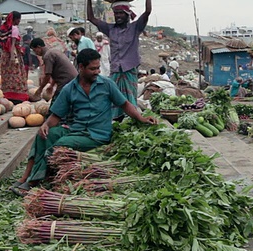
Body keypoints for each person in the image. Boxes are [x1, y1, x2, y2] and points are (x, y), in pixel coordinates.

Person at [11, 49, 157, 194]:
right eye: (93, 68)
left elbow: (125, 104)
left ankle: (33, 182)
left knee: (59, 145)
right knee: (43, 136)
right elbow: (56, 115)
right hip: (76, 130)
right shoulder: (70, 89)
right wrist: (45, 125)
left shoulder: (107, 85)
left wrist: (142, 118)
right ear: (81, 67)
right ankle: (25, 177)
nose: (97, 71)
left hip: (96, 136)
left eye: (98, 68)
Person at [86, 0, 153, 119]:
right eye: (116, 14)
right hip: (116, 69)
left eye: (121, 13)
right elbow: (91, 18)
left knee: (130, 96)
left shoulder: (135, 28)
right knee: (114, 96)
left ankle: (132, 118)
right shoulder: (110, 29)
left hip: (129, 68)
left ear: (128, 14)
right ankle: (116, 119)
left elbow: (147, 12)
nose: (118, 16)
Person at [29, 38, 77, 103]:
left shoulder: (48, 56)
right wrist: (51, 85)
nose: (36, 53)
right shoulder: (53, 51)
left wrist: (39, 90)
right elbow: (55, 72)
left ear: (39, 47)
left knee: (56, 102)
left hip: (66, 80)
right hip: (71, 78)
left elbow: (47, 75)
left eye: (35, 50)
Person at [0, 11, 28, 102]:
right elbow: (12, 44)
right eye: (18, 19)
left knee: (6, 75)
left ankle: (7, 95)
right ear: (15, 19)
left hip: (4, 56)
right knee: (16, 75)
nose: (19, 21)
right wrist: (12, 56)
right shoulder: (14, 28)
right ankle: (17, 96)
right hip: (13, 55)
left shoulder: (4, 28)